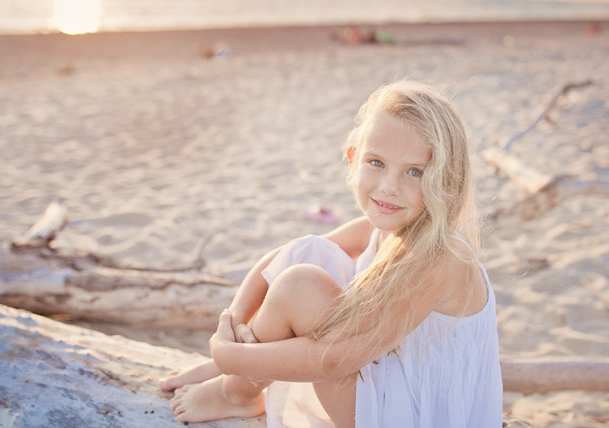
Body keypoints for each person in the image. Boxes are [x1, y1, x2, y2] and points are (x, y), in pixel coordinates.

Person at [160, 80, 503, 427]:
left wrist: (232, 357)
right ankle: (236, 387)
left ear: (446, 179)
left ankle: (233, 391)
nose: (389, 186)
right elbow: (277, 258)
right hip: (387, 386)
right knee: (307, 252)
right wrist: (228, 334)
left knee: (300, 287)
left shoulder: (440, 258)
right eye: (377, 163)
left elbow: (336, 361)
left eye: (414, 172)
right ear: (354, 159)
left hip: (418, 416)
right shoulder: (387, 227)